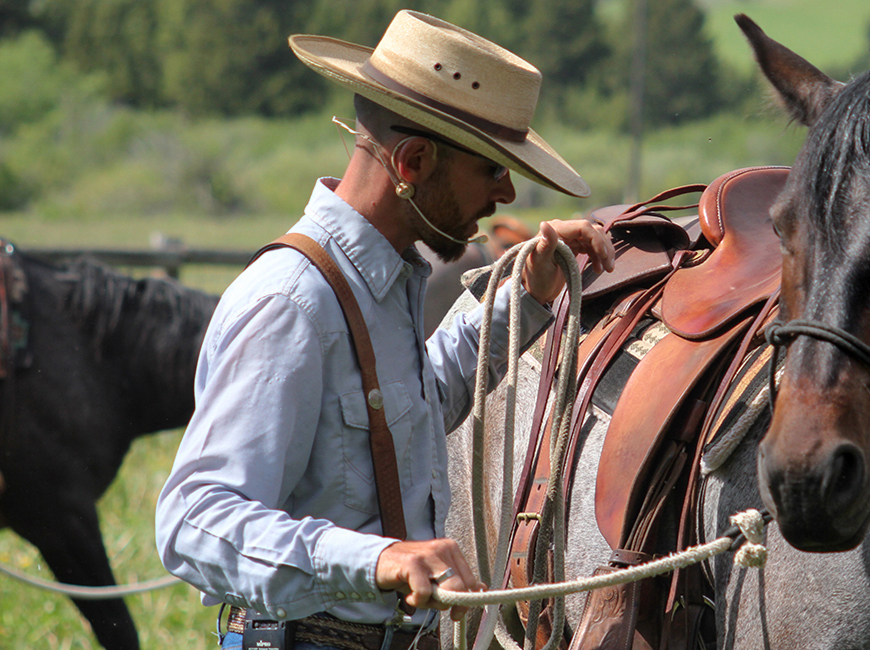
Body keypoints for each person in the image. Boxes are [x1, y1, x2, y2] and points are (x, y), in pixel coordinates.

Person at [155, 10, 614, 650]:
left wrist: (527, 297)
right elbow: (194, 522)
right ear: (416, 160)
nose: (507, 194)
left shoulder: (383, 283)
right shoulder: (292, 302)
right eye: (491, 169)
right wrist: (380, 561)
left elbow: (410, 412)